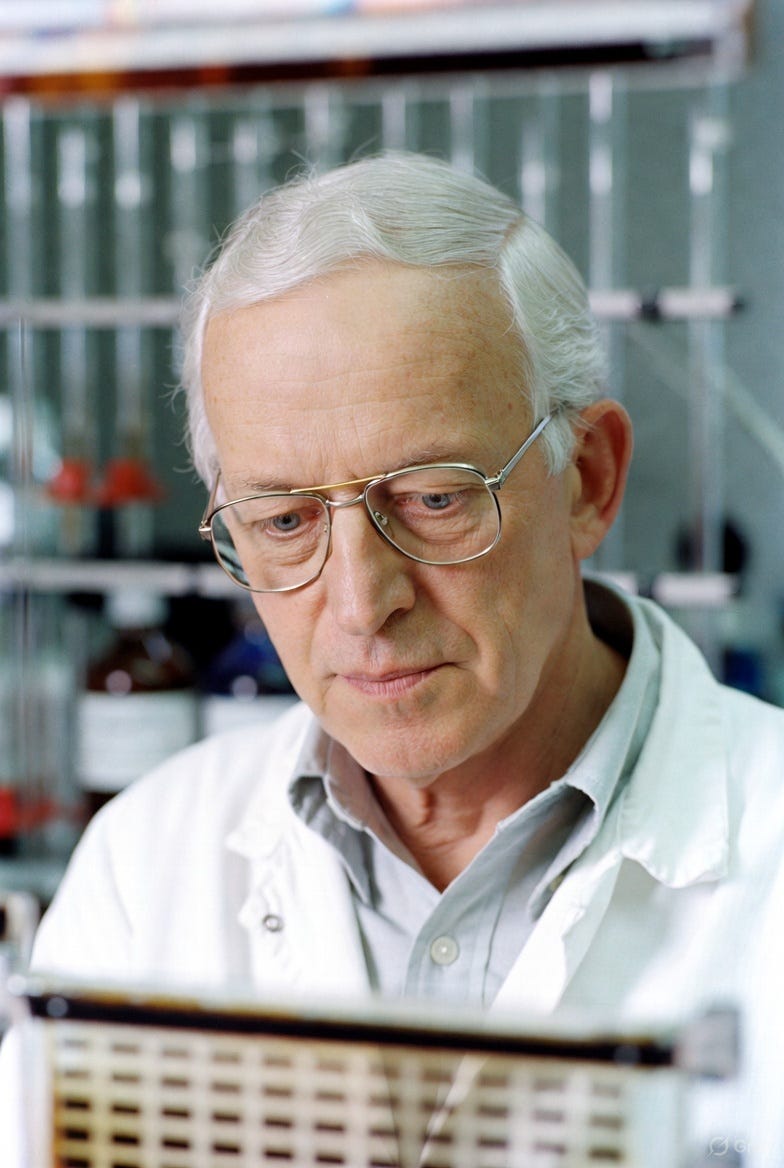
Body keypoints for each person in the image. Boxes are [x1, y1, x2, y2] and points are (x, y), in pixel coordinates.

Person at [4, 152, 784, 1163]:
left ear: (587, 479)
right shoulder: (146, 867)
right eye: (284, 521)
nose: (362, 601)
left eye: (434, 498)